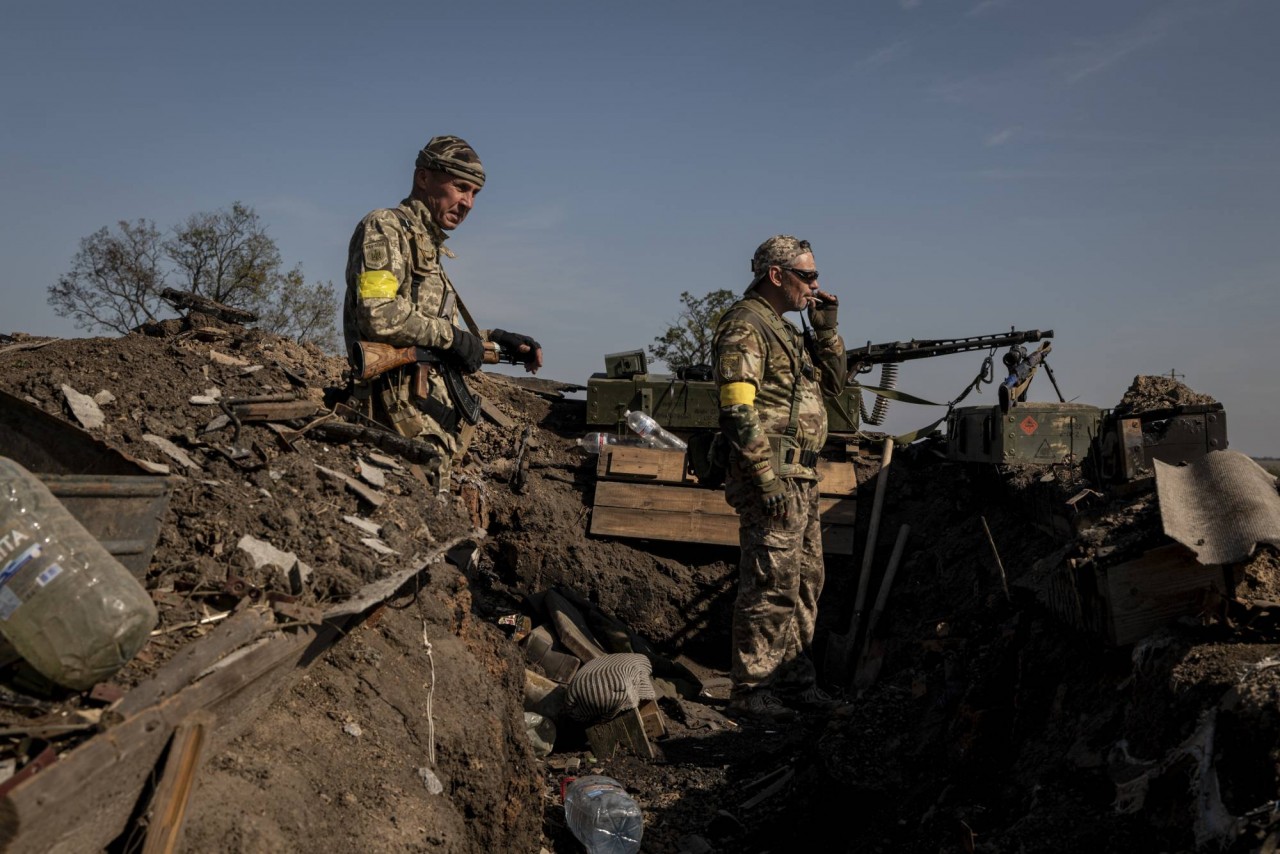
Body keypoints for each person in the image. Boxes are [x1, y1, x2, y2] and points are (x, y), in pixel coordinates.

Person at [344, 135, 542, 492]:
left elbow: (434, 332)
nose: (467, 202)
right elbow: (378, 314)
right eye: (460, 187)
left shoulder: (428, 246)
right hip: (393, 403)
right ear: (424, 178)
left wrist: (495, 341)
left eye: (475, 194)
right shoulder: (385, 227)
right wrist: (452, 337)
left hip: (423, 405)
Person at [712, 235, 848, 721]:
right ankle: (752, 691)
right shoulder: (746, 326)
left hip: (801, 475)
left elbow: (834, 386)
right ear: (776, 275)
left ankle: (793, 681)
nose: (815, 286)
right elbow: (736, 408)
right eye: (807, 276)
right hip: (772, 475)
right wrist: (764, 478)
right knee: (770, 583)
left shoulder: (787, 330)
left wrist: (827, 330)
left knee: (806, 579)